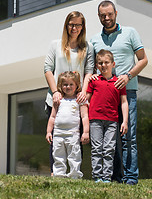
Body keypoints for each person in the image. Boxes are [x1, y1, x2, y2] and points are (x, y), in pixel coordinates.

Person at [90, 0, 148, 185]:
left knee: (128, 137)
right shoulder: (94, 40)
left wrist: (128, 76)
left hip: (126, 92)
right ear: (99, 16)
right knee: (108, 139)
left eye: (109, 14)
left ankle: (131, 178)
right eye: (102, 15)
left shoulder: (130, 32)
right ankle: (113, 177)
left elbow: (143, 60)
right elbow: (91, 67)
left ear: (116, 12)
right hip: (103, 96)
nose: (106, 18)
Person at [44, 11, 94, 174]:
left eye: (79, 25)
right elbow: (47, 69)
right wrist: (55, 91)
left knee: (76, 139)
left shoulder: (88, 47)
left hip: (76, 102)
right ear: (66, 25)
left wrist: (84, 92)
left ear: (83, 27)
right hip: (57, 101)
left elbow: (88, 71)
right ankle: (55, 172)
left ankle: (75, 173)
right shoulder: (55, 45)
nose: (75, 28)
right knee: (55, 140)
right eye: (72, 24)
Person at [86, 49, 129, 183]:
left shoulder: (119, 82)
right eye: (100, 63)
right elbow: (86, 99)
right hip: (95, 120)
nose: (103, 65)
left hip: (112, 121)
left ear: (113, 64)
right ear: (97, 66)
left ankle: (106, 178)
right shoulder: (94, 81)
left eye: (106, 62)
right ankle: (97, 176)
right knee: (97, 148)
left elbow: (124, 102)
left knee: (109, 149)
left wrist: (125, 121)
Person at [46, 71, 89, 178]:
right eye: (65, 84)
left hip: (73, 134)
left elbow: (85, 117)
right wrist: (48, 132)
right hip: (58, 134)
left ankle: (75, 175)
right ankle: (59, 174)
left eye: (71, 84)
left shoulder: (80, 100)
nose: (68, 87)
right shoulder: (58, 100)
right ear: (61, 86)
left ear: (76, 85)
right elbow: (52, 117)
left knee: (74, 155)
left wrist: (86, 132)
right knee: (58, 155)